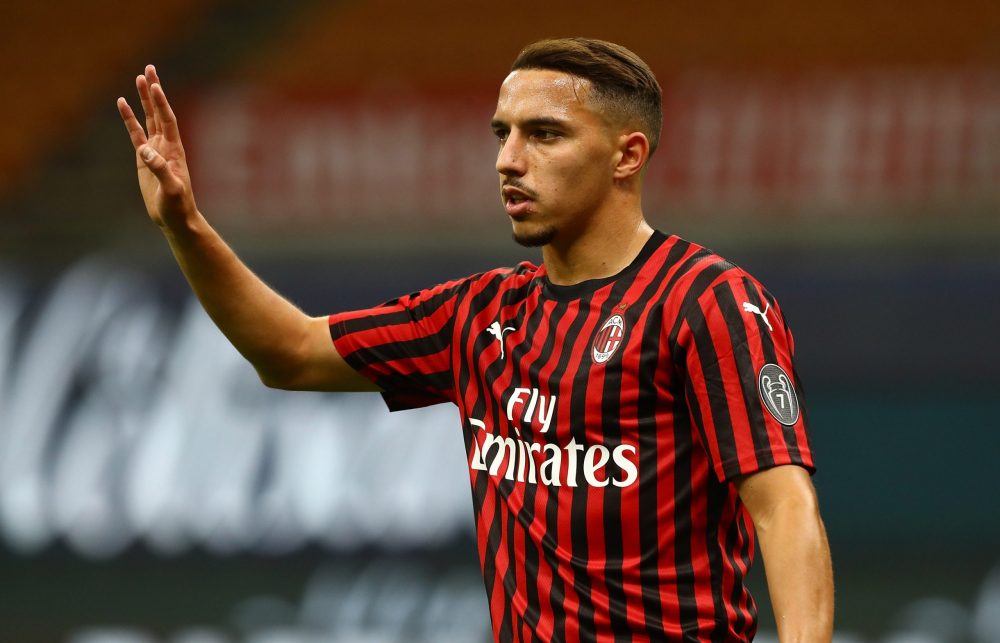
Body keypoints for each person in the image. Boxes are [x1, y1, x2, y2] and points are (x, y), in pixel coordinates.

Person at [118, 38, 833, 642]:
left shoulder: (707, 300)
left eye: (544, 134)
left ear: (627, 155)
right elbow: (291, 352)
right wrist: (185, 225)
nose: (508, 160)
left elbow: (784, 505)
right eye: (503, 133)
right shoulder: (480, 314)